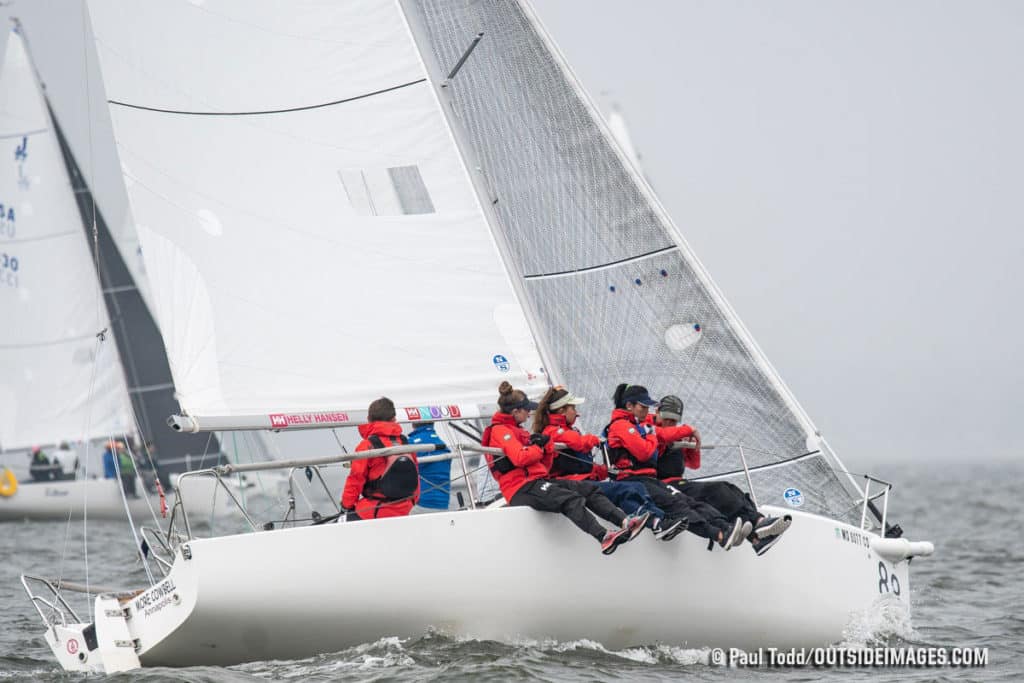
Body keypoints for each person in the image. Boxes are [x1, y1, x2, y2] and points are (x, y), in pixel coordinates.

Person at [484, 381, 648, 555]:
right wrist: (539, 448)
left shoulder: (517, 430)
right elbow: (520, 457)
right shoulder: (501, 431)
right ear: (515, 412)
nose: (529, 413)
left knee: (588, 489)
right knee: (570, 499)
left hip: (536, 481)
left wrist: (547, 448)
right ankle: (604, 536)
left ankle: (625, 522)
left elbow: (543, 467)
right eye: (526, 410)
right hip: (520, 488)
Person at [533, 385, 687, 541]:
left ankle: (660, 521)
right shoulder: (551, 431)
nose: (577, 412)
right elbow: (577, 443)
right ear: (561, 411)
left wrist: (603, 471)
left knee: (634, 488)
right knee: (626, 489)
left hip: (583, 482)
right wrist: (592, 439)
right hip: (572, 485)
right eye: (573, 407)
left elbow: (580, 464)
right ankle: (656, 523)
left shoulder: (566, 429)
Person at [606, 383, 746, 551]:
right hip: (634, 481)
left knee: (688, 502)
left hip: (649, 480)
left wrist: (687, 441)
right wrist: (662, 434)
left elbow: (691, 461)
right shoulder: (621, 425)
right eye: (643, 406)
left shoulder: (640, 426)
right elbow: (645, 453)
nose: (647, 411)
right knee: (678, 506)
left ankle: (725, 528)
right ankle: (719, 535)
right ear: (630, 406)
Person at [655, 395, 791, 555]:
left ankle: (759, 527)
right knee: (716, 491)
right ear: (657, 412)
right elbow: (658, 436)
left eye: (674, 420)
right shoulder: (648, 427)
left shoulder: (677, 432)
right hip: (662, 485)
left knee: (730, 488)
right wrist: (688, 430)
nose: (670, 423)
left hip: (680, 482)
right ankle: (756, 532)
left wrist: (693, 445)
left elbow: (694, 464)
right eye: (667, 419)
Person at [341, 397, 420, 520]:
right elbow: (415, 476)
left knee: (339, 524)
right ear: (394, 419)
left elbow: (355, 480)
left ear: (368, 419)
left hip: (374, 511)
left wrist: (346, 506)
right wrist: (412, 502)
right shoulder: (404, 443)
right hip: (404, 508)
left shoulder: (366, 446)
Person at [408, 421, 451, 513]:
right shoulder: (442, 443)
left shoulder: (410, 444)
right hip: (443, 505)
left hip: (420, 504)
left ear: (412, 423)